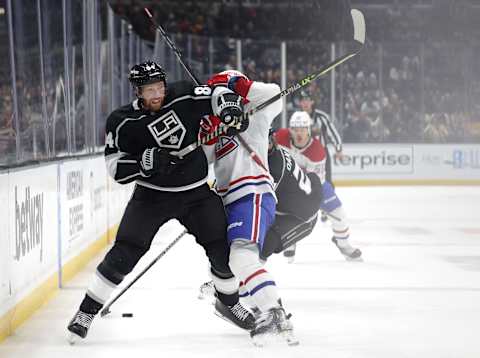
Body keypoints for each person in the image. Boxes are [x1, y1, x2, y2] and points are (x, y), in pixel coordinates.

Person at [67, 61, 255, 343]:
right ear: (138, 91)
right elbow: (114, 167)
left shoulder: (185, 94)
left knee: (222, 249)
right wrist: (144, 162)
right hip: (150, 197)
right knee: (125, 253)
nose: (156, 94)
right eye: (149, 90)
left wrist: (230, 109)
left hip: (196, 194)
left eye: (159, 87)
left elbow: (217, 94)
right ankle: (86, 311)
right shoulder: (122, 122)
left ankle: (229, 303)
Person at [199, 70, 298, 346]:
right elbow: (202, 160)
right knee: (233, 261)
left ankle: (274, 313)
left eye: (229, 91)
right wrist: (208, 135)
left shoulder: (256, 110)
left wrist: (236, 85)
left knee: (242, 258)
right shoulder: (214, 121)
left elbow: (274, 93)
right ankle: (261, 307)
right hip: (228, 199)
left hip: (252, 191)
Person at [274, 111, 362, 262]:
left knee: (339, 214)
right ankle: (290, 242)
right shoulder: (280, 137)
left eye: (302, 129)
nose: (299, 133)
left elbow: (315, 183)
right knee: (286, 213)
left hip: (315, 187)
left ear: (309, 130)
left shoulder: (317, 151)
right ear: (290, 129)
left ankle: (344, 244)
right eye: (295, 129)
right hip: (290, 186)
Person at [298, 90, 343, 222]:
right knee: (302, 183)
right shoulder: (297, 118)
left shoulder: (321, 117)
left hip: (322, 154)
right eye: (303, 100)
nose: (305, 102)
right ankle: (304, 209)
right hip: (302, 156)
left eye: (308, 100)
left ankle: (326, 209)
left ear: (312, 102)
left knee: (326, 181)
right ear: (300, 103)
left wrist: (338, 149)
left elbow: (332, 133)